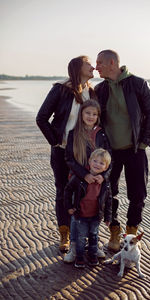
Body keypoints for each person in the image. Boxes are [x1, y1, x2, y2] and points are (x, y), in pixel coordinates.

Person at [95, 49, 150, 252]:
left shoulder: (139, 84)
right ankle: (114, 231)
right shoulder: (100, 89)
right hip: (109, 152)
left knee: (138, 194)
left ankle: (132, 232)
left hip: (135, 149)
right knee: (108, 192)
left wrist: (144, 143)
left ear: (112, 63)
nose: (96, 67)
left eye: (99, 63)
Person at [36, 55, 96, 252]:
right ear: (78, 67)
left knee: (82, 192)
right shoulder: (61, 89)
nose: (93, 66)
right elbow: (42, 117)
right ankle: (64, 234)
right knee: (63, 191)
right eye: (89, 63)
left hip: (84, 152)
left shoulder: (92, 92)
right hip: (61, 151)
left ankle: (81, 233)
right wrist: (55, 141)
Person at [63, 99, 111, 262]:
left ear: (98, 116)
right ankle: (74, 248)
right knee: (77, 216)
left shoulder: (102, 134)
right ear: (81, 114)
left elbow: (110, 159)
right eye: (87, 113)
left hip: (97, 181)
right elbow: (69, 159)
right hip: (79, 179)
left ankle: (94, 245)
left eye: (94, 114)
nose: (90, 116)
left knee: (93, 215)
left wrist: (102, 176)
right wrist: (84, 174)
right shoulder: (73, 133)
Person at [64, 148, 112, 268]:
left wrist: (108, 216)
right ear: (89, 162)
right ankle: (79, 257)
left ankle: (92, 254)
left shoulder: (105, 182)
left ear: (106, 168)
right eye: (95, 161)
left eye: (101, 163)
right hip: (81, 215)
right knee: (80, 237)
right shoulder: (79, 178)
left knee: (94, 235)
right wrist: (69, 207)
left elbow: (109, 200)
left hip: (96, 216)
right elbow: (67, 191)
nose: (97, 164)